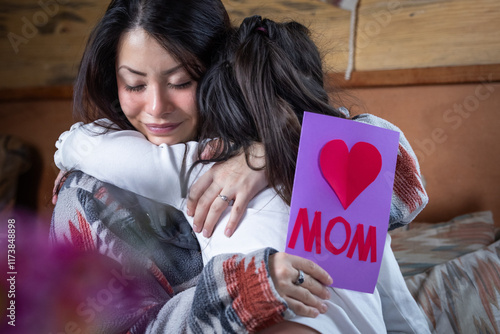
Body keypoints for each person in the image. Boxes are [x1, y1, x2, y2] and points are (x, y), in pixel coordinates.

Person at [54, 13, 430, 334]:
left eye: (182, 82)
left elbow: (86, 146)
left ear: (213, 90)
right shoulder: (341, 177)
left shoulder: (201, 165)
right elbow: (398, 305)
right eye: (135, 84)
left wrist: (69, 143)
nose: (156, 107)